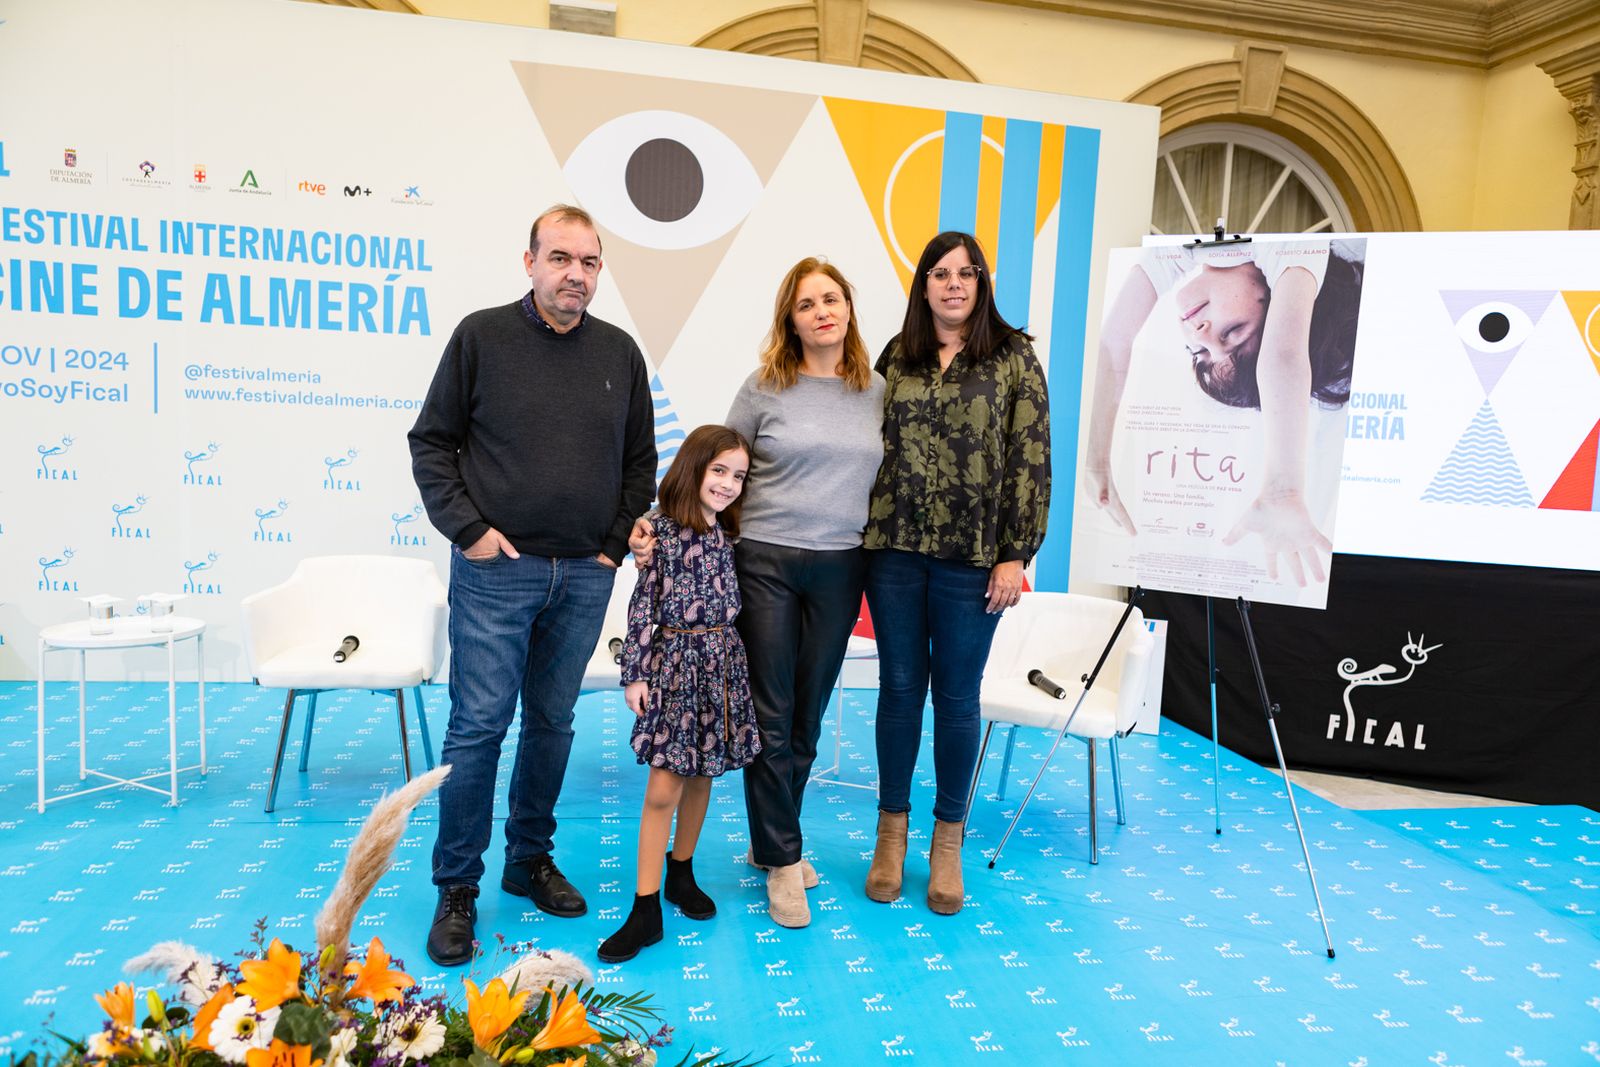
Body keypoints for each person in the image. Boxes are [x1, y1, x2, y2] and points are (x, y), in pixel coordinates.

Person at [408, 204, 656, 967]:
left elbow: (640, 462)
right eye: (560, 258)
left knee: (551, 721)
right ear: (530, 262)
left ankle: (528, 859)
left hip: (584, 575)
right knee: (478, 725)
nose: (575, 274)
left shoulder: (620, 352)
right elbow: (431, 443)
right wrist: (470, 532)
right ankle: (458, 885)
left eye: (589, 262)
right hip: (496, 573)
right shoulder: (480, 337)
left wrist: (610, 548)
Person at [631, 257, 886, 929]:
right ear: (790, 320)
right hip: (765, 561)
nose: (822, 312)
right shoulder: (763, 387)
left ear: (849, 307)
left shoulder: (876, 390)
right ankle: (781, 860)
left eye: (831, 298)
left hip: (841, 564)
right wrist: (654, 523)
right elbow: (711, 469)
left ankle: (777, 837)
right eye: (806, 304)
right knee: (771, 713)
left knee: (808, 716)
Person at [863, 231, 1050, 916]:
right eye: (940, 274)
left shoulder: (1013, 356)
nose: (953, 285)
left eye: (965, 273)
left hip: (974, 558)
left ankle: (948, 842)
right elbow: (864, 447)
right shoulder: (897, 356)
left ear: (981, 283)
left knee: (957, 697)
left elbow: (1031, 456)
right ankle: (890, 834)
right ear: (923, 285)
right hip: (894, 549)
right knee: (898, 688)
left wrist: (1015, 552)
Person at [1084, 239, 1364, 586]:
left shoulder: (1173, 256)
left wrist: (1096, 463)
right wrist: (1284, 489)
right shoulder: (1294, 252)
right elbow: (1283, 356)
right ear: (1277, 301)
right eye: (1232, 333)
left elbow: (1114, 338)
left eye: (1199, 353)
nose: (1201, 334)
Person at [599, 425, 761, 962]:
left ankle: (681, 872)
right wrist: (636, 674)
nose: (729, 484)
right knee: (663, 788)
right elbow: (642, 609)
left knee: (703, 774)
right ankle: (644, 907)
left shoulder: (727, 533)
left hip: (721, 664)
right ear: (694, 468)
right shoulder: (660, 534)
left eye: (739, 476)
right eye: (719, 471)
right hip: (674, 667)